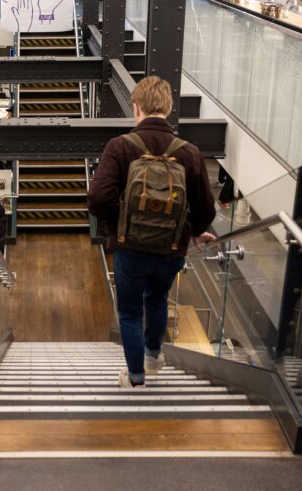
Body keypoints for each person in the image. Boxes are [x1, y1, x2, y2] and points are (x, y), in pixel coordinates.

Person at [87, 76, 217, 388]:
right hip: (171, 249)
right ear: (169, 109)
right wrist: (197, 231)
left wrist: (120, 223)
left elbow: (97, 198)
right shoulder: (190, 152)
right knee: (157, 299)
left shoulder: (120, 146)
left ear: (136, 108)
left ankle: (135, 378)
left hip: (130, 248)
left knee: (130, 313)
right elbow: (205, 206)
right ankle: (152, 357)